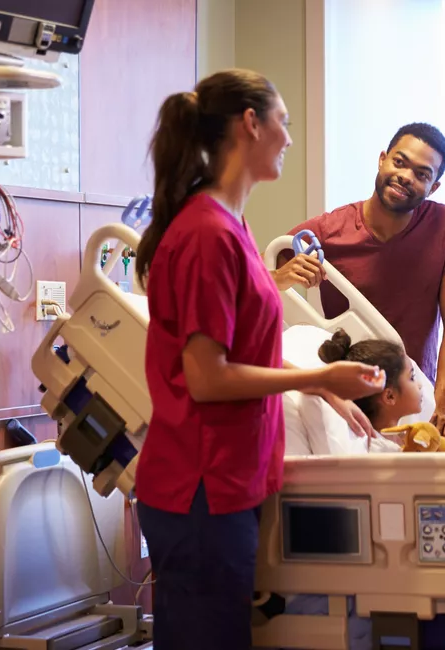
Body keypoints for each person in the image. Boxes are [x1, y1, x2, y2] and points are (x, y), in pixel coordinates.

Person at [132, 69, 385, 650]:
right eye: (284, 123)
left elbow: (246, 346)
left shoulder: (234, 226)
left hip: (228, 480)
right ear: (251, 123)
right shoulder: (206, 234)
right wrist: (319, 374)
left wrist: (321, 389)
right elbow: (206, 376)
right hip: (200, 485)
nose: (289, 139)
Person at [278, 122, 445, 438]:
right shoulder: (328, 231)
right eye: (400, 162)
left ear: (434, 187)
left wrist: (437, 408)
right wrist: (278, 277)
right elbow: (249, 284)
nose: (406, 176)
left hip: (413, 400)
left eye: (422, 174)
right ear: (383, 159)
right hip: (345, 402)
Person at [317, 329, 445, 454]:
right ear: (389, 396)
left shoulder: (405, 437)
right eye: (411, 377)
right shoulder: (383, 451)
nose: (419, 385)